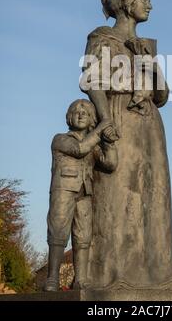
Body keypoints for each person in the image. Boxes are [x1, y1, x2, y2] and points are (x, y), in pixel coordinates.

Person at [81, 0, 172, 289]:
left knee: (154, 194)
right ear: (127, 0)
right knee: (118, 192)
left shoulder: (147, 46)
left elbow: (162, 95)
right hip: (118, 116)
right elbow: (92, 82)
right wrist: (106, 122)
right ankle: (113, 274)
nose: (150, 5)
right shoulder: (101, 38)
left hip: (150, 125)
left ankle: (157, 276)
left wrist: (148, 62)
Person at [45, 99, 117, 291]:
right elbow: (79, 150)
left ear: (91, 118)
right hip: (63, 190)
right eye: (76, 111)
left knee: (83, 236)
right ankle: (52, 278)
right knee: (58, 232)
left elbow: (110, 164)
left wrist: (109, 142)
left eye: (85, 112)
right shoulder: (60, 139)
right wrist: (102, 127)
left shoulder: (93, 144)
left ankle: (81, 279)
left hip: (85, 192)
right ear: (69, 117)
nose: (80, 114)